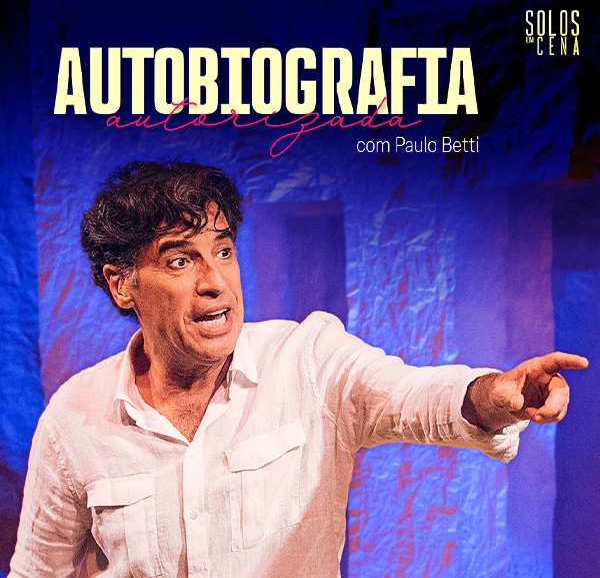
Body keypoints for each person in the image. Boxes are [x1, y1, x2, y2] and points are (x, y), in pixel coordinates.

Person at [9, 161, 588, 578]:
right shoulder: (75, 416)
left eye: (224, 251)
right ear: (122, 284)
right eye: (181, 260)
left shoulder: (308, 358)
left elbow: (413, 396)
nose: (215, 282)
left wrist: (494, 393)